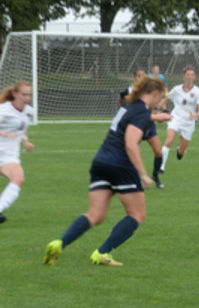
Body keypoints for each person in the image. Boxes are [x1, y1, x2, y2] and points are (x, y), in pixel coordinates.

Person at [44, 76, 165, 267]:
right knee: (137, 214)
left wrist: (155, 117)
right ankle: (102, 252)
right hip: (121, 165)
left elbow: (135, 119)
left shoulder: (129, 105)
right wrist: (143, 173)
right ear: (155, 93)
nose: (160, 101)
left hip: (101, 161)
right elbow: (131, 144)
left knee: (95, 215)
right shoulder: (141, 111)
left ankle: (59, 243)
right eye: (160, 97)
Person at [118, 69, 170, 189]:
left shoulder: (149, 91)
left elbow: (153, 105)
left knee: (158, 152)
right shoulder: (129, 91)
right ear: (134, 78)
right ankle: (134, 177)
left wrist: (156, 112)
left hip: (149, 124)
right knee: (131, 151)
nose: (140, 78)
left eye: (143, 75)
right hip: (136, 126)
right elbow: (121, 102)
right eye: (138, 76)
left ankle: (155, 176)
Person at [0, 80, 35, 223]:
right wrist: (3, 133)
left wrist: (25, 141)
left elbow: (22, 128)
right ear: (15, 94)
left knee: (18, 179)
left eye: (29, 95)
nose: (27, 98)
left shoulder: (29, 111)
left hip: (9, 155)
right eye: (24, 94)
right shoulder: (4, 110)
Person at [160, 66, 199, 173]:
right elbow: (166, 99)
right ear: (184, 76)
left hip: (188, 123)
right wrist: (157, 108)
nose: (189, 77)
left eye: (192, 75)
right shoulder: (177, 89)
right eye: (187, 74)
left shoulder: (197, 91)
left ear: (194, 77)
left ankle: (180, 148)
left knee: (180, 154)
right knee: (169, 140)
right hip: (175, 118)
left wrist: (195, 115)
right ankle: (161, 166)